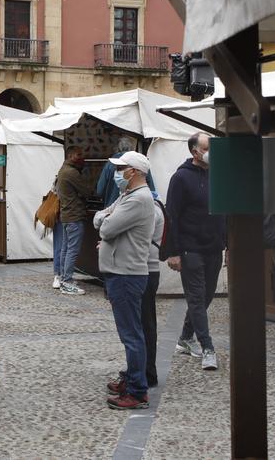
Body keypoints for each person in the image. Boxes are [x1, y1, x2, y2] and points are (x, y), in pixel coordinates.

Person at [94, 151, 155, 410]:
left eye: (122, 168)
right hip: (121, 271)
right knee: (130, 332)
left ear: (135, 172)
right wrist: (105, 220)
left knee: (131, 334)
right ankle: (132, 379)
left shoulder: (138, 199)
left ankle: (138, 390)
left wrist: (105, 222)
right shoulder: (127, 196)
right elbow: (101, 217)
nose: (118, 173)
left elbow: (105, 227)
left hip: (126, 273)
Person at [164, 132, 226, 371]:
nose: (210, 151)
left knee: (207, 295)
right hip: (190, 248)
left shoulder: (216, 175)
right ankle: (207, 348)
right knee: (197, 297)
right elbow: (172, 216)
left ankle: (185, 336)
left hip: (213, 246)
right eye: (206, 147)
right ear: (194, 152)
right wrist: (173, 252)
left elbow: (224, 210)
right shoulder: (180, 178)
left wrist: (227, 242)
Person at [55, 146, 95, 295]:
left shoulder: (63, 170)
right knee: (72, 250)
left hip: (66, 216)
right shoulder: (71, 172)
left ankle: (64, 278)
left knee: (66, 249)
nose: (82, 157)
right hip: (74, 216)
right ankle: (67, 281)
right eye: (79, 154)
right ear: (71, 156)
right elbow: (87, 190)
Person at [140, 192, 167, 387]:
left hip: (145, 269)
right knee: (143, 322)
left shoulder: (149, 207)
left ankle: (148, 371)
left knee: (145, 323)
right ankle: (142, 368)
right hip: (143, 268)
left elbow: (108, 227)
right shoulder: (147, 203)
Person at [97, 138, 157, 208]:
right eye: (118, 169)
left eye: (120, 168)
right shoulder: (141, 164)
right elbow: (152, 190)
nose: (118, 173)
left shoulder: (109, 165)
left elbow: (100, 190)